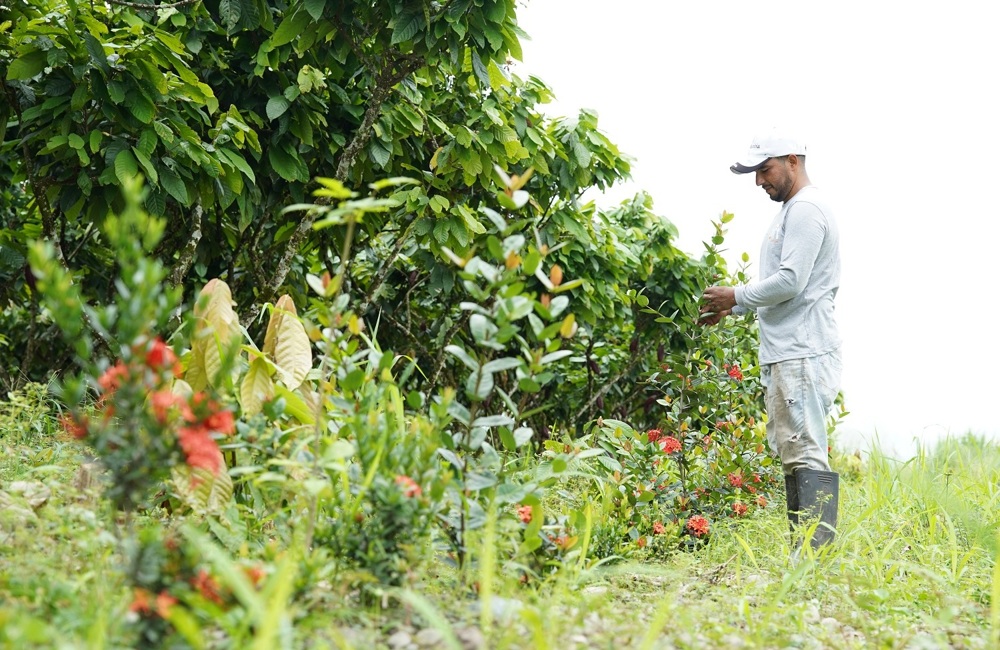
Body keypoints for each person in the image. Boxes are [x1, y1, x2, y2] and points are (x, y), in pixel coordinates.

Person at [699, 130, 842, 550]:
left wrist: (736, 295)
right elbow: (785, 285)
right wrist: (735, 307)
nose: (759, 181)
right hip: (789, 350)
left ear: (793, 161)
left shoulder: (806, 210)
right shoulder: (792, 211)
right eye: (755, 173)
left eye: (765, 169)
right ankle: (804, 554)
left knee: (806, 453)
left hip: (802, 350)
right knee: (794, 453)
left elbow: (792, 282)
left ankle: (815, 558)